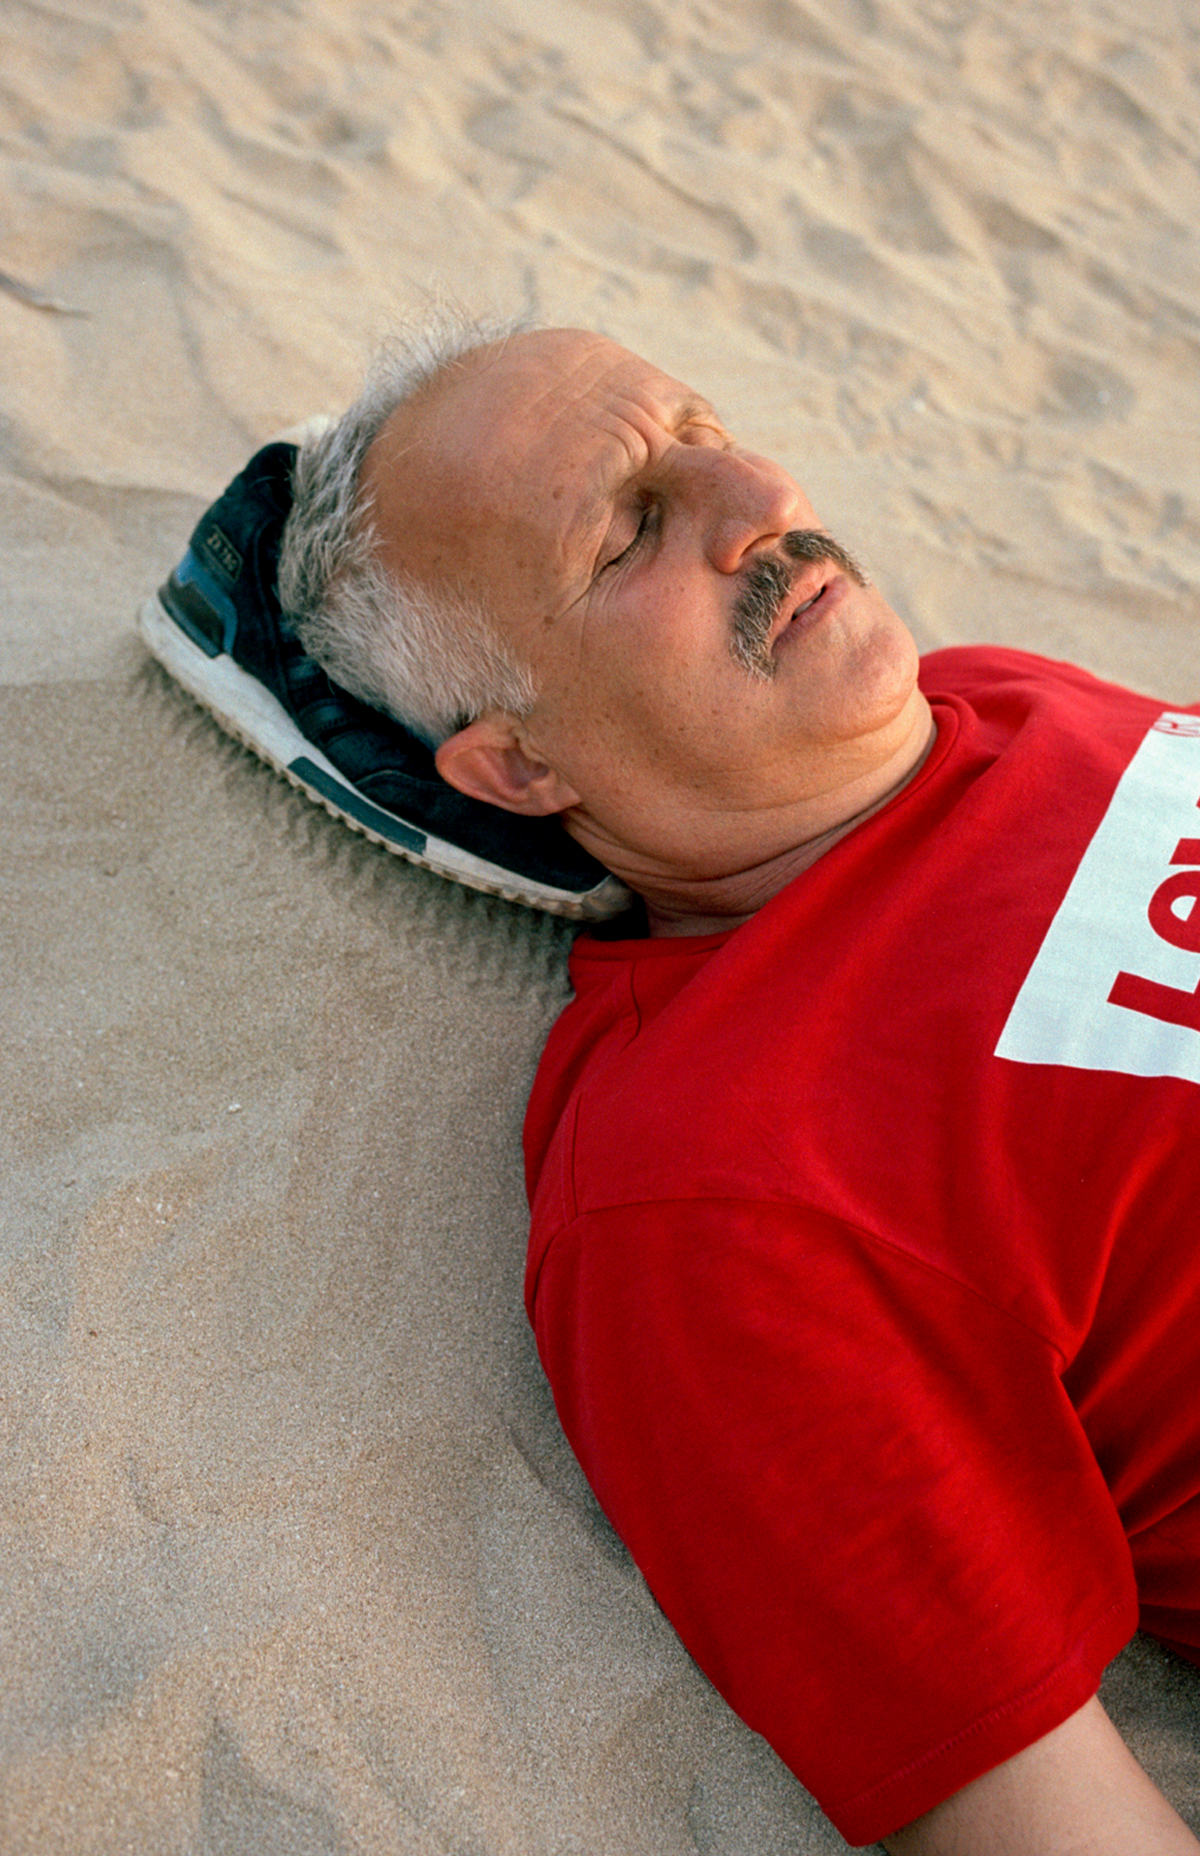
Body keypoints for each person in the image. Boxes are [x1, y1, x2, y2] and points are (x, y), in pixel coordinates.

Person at [139, 313, 1200, 1851]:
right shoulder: (709, 1187)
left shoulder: (997, 696)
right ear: (519, 766)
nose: (761, 495)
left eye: (706, 432)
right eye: (631, 530)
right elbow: (1044, 1813)